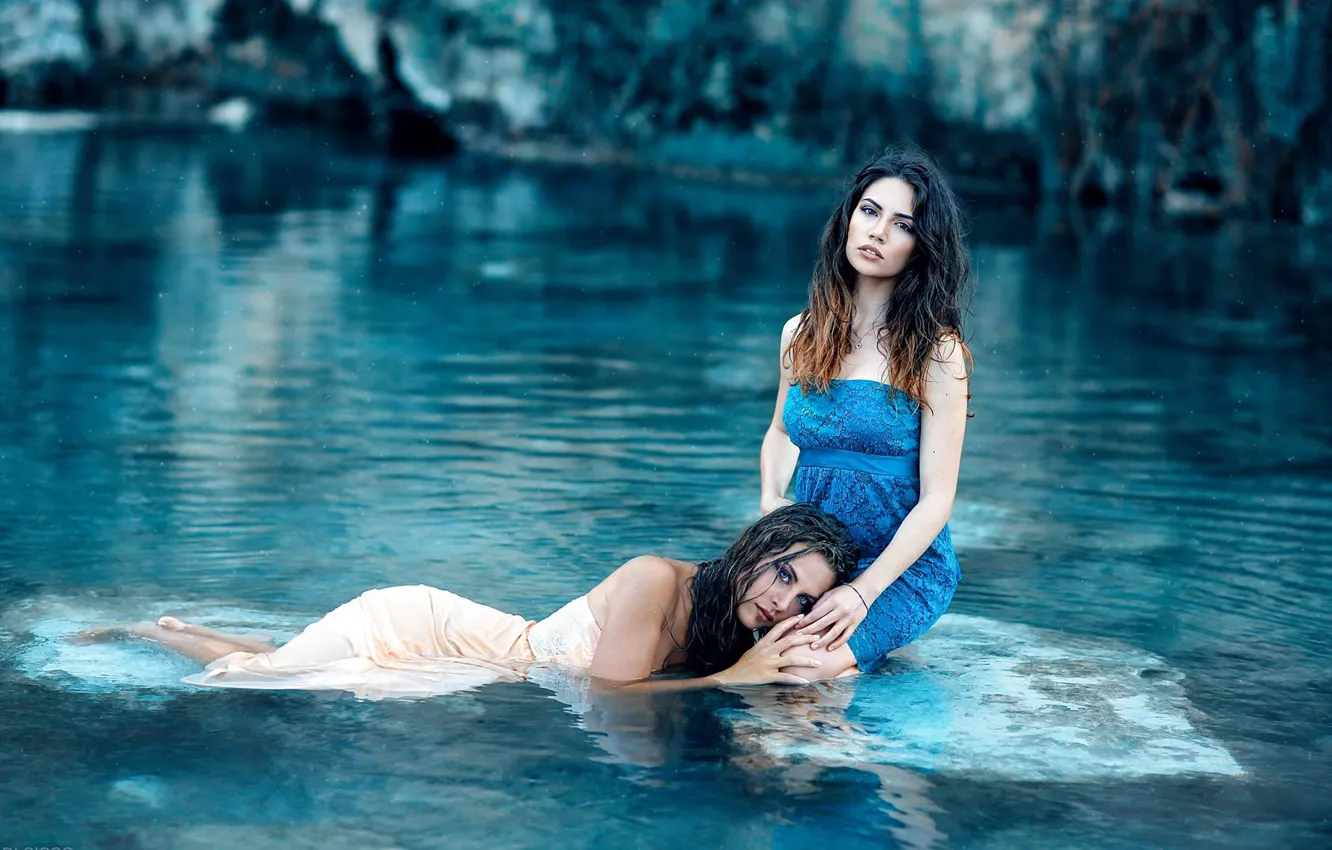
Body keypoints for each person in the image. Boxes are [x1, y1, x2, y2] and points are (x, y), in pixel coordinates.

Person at [73, 504, 859, 695]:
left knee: (272, 668)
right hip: (421, 627)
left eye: (804, 602)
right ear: (757, 549)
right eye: (784, 574)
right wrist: (732, 682)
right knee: (253, 683)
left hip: (465, 661)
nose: (783, 603)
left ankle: (183, 625)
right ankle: (150, 630)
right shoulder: (661, 580)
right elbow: (613, 697)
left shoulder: (732, 624)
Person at [759, 148, 972, 679]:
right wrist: (770, 505)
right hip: (810, 562)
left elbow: (938, 498)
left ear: (921, 247)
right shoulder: (799, 334)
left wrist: (862, 591)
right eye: (870, 212)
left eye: (901, 224)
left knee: (798, 668)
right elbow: (782, 432)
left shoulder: (937, 355)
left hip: (898, 571)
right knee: (718, 634)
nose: (877, 232)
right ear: (849, 217)